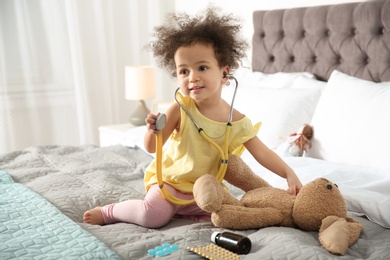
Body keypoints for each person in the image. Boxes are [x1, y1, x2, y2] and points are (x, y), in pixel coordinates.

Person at [83, 6, 303, 228]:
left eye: (202, 68)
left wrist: (289, 173)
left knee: (231, 214)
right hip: (171, 183)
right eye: (184, 71)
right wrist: (152, 131)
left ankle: (187, 213)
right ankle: (110, 211)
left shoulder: (236, 121)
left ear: (225, 73)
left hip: (204, 190)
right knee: (153, 216)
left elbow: (263, 153)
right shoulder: (181, 109)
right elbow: (151, 147)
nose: (192, 77)